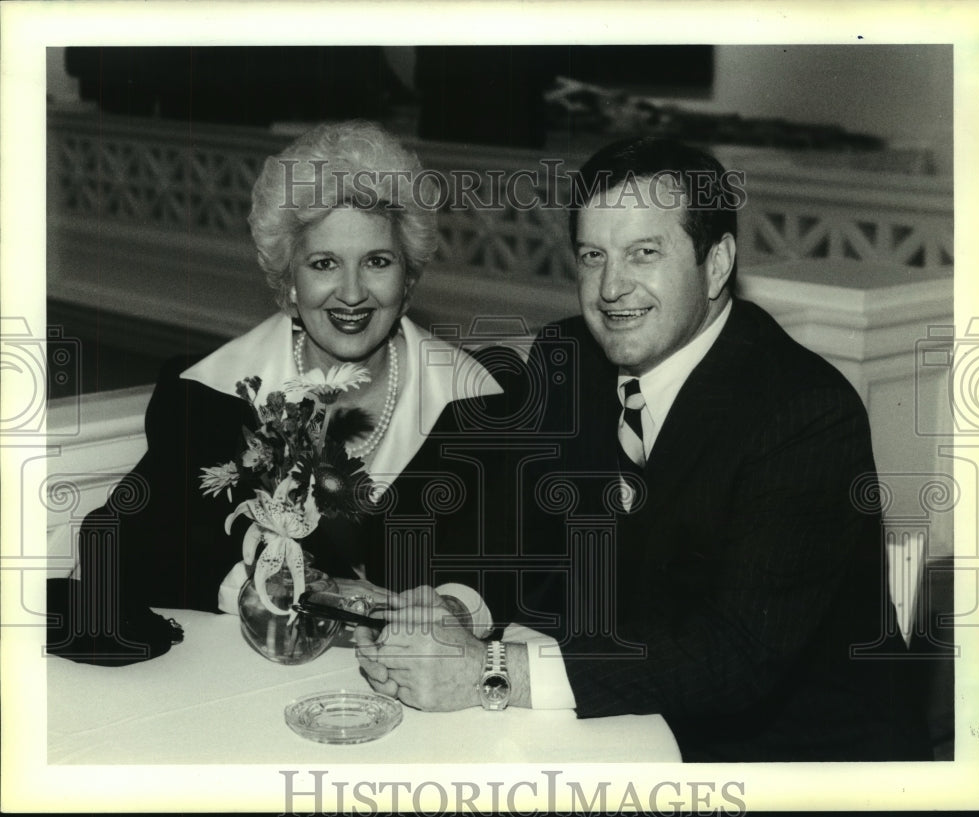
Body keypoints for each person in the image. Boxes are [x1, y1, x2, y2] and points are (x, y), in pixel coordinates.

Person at [356, 136, 933, 762]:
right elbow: (513, 539)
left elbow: (734, 654)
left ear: (716, 265)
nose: (611, 288)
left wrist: (491, 671)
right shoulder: (568, 359)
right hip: (622, 728)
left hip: (791, 761)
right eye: (593, 256)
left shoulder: (805, 414)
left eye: (644, 254)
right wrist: (455, 606)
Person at [47, 120, 522, 664]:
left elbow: (524, 561)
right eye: (324, 264)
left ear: (408, 282)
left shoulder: (482, 402)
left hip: (423, 687)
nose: (350, 293)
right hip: (246, 688)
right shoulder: (207, 396)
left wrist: (454, 611)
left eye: (377, 262)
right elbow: (118, 542)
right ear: (289, 284)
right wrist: (273, 591)